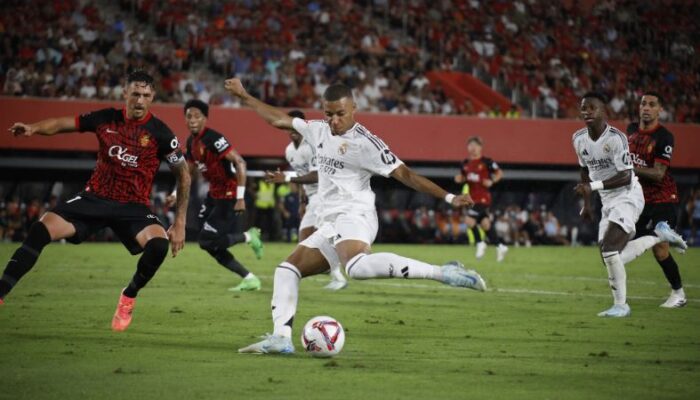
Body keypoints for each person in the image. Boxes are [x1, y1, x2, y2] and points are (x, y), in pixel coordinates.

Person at [224, 78, 487, 354]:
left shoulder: (367, 144)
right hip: (331, 222)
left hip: (357, 215)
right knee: (286, 271)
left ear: (354, 109)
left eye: (341, 114)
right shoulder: (317, 131)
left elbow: (405, 174)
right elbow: (279, 119)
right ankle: (281, 338)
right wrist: (245, 96)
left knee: (356, 268)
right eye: (329, 114)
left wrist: (449, 197)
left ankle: (444, 273)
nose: (334, 120)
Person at [1, 70, 191, 331]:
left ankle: (129, 295)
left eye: (146, 95)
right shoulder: (105, 118)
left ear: (152, 97)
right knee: (41, 228)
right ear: (125, 93)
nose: (139, 100)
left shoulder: (161, 133)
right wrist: (34, 128)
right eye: (135, 93)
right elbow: (62, 124)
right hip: (95, 198)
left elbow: (184, 174)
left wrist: (180, 221)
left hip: (133, 207)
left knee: (158, 246)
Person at [572, 92, 686, 318]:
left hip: (640, 195)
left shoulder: (649, 137)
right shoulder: (586, 138)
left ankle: (673, 293)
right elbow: (586, 170)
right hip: (612, 198)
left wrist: (595, 186)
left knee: (652, 251)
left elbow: (642, 174)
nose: (587, 112)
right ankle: (658, 235)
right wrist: (588, 203)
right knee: (611, 257)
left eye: (652, 104)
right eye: (643, 103)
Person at [167, 99, 263, 292]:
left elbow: (240, 162)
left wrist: (241, 197)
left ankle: (248, 236)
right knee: (209, 243)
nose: (193, 120)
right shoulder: (190, 142)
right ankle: (249, 278)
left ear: (205, 118)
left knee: (206, 241)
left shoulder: (213, 138)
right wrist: (176, 192)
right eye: (189, 116)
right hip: (214, 195)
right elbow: (188, 171)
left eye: (197, 116)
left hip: (228, 195)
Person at [264, 110, 348, 291]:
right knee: (304, 239)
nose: (293, 130)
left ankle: (337, 275)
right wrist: (302, 202)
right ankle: (328, 268)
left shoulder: (313, 146)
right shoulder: (289, 151)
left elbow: (317, 175)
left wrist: (286, 178)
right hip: (311, 198)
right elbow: (301, 176)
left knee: (320, 238)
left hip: (324, 194)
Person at [626, 92, 687, 308]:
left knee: (660, 250)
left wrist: (629, 168)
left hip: (663, 197)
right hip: (639, 199)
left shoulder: (664, 137)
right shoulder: (631, 130)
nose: (646, 107)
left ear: (659, 109)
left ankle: (678, 294)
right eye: (643, 103)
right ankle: (664, 234)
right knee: (625, 237)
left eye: (652, 104)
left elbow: (660, 173)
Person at [454, 136, 508, 262]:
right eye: (471, 145)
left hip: (483, 198)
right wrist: (459, 179)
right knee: (485, 224)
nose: (473, 148)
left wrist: (492, 180)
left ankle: (480, 243)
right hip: (472, 198)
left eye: (476, 145)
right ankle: (500, 246)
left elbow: (499, 173)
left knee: (468, 220)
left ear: (480, 147)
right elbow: (463, 177)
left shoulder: (487, 161)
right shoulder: (465, 164)